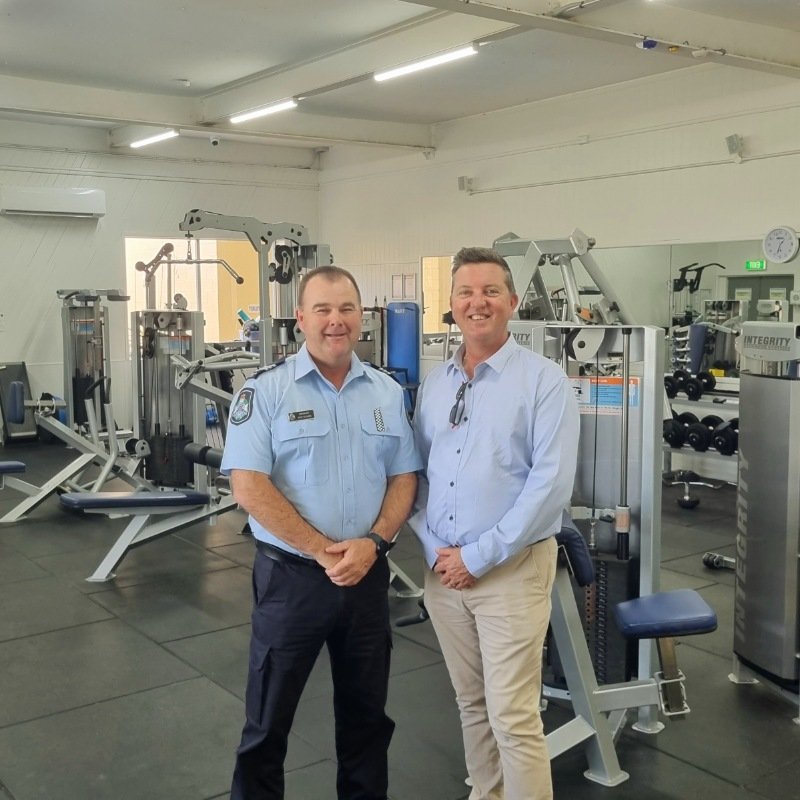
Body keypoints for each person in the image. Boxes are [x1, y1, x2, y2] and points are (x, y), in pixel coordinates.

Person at [221, 265, 420, 800]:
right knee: (267, 724)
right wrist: (322, 551)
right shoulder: (265, 391)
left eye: (347, 309)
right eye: (323, 310)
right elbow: (248, 486)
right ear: (301, 319)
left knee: (367, 722)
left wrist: (374, 543)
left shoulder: (385, 391)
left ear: (361, 317)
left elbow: (404, 476)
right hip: (292, 583)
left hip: (367, 578)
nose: (336, 321)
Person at [411, 247, 580, 800]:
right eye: (465, 292)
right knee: (472, 705)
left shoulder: (544, 381)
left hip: (510, 570)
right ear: (452, 303)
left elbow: (549, 488)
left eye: (489, 292)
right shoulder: (436, 384)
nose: (476, 302)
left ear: (511, 301)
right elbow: (419, 474)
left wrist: (477, 557)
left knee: (513, 716)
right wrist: (436, 549)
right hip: (443, 572)